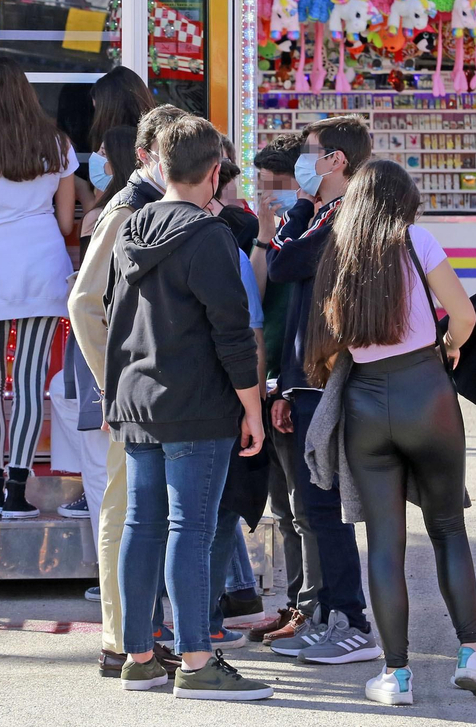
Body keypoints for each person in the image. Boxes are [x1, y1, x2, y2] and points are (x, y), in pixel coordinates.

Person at [304, 159, 476, 705]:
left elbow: (328, 347)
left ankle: (396, 675)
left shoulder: (339, 252)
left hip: (365, 403)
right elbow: (463, 316)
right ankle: (473, 654)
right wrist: (447, 346)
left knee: (384, 542)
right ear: (404, 200)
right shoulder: (418, 241)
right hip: (427, 394)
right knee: (448, 528)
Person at [104, 114, 272, 701]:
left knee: (142, 525)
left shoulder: (132, 226)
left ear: (161, 164)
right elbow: (233, 334)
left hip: (138, 399)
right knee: (191, 529)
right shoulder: (210, 235)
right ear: (214, 171)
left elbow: (114, 318)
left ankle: (139, 658)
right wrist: (252, 410)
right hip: (196, 403)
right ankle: (197, 661)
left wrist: (113, 396)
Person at [69, 105, 182, 677]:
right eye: (168, 153)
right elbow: (83, 303)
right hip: (128, 391)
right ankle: (121, 641)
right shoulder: (126, 209)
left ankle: (136, 635)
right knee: (124, 510)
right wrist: (110, 385)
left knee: (142, 511)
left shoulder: (154, 204)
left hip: (143, 389)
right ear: (144, 156)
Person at [265, 115, 381, 665]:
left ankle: (351, 621)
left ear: (336, 160)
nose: (300, 166)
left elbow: (283, 263)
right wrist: (287, 388)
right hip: (306, 380)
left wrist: (297, 213)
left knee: (325, 504)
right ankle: (330, 614)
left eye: (309, 153)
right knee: (312, 505)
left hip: (329, 379)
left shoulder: (342, 216)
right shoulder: (322, 214)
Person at [0, 57, 76, 520]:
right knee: (29, 379)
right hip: (44, 264)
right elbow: (66, 223)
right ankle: (19, 492)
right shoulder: (58, 143)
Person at [248, 133, 318, 644]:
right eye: (261, 185)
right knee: (284, 511)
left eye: (276, 184)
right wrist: (263, 234)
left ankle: (314, 607)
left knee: (306, 506)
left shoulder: (315, 231)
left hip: (301, 383)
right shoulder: (265, 234)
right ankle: (295, 603)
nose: (267, 195)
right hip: (267, 380)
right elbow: (253, 295)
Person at [202, 151, 267, 648]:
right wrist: (253, 409)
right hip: (221, 404)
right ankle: (204, 624)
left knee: (173, 520)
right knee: (217, 518)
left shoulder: (137, 233)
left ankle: (166, 629)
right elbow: (249, 338)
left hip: (163, 405)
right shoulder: (229, 250)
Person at [63, 122, 141, 538]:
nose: (95, 160)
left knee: (102, 468)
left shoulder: (101, 216)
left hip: (98, 349)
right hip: (127, 353)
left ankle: (106, 560)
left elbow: (83, 295)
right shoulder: (138, 209)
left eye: (103, 154)